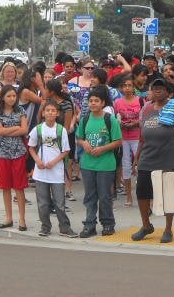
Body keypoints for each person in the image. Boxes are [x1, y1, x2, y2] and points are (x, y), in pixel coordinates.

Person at [131, 78, 174, 243]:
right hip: (147, 157)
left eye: (161, 88)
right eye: (154, 88)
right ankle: (146, 225)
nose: (157, 91)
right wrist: (136, 157)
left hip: (169, 158)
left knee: (168, 195)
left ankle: (167, 229)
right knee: (142, 192)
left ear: (168, 92)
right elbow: (142, 137)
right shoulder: (146, 109)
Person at [76, 86, 122, 237]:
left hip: (105, 164)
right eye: (91, 101)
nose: (93, 103)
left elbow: (118, 141)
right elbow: (79, 138)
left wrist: (103, 149)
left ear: (103, 103)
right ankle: (89, 224)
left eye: (96, 101)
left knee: (104, 196)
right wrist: (84, 144)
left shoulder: (110, 120)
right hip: (87, 164)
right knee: (89, 196)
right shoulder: (85, 119)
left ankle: (108, 223)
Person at [28, 99, 78, 238]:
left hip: (56, 173)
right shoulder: (37, 129)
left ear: (57, 114)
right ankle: (45, 227)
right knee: (43, 203)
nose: (50, 113)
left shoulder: (61, 130)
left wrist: (54, 162)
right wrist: (37, 160)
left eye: (53, 110)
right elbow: (31, 147)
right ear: (43, 113)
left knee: (59, 203)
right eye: (47, 110)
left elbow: (66, 151)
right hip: (40, 173)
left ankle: (64, 227)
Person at [0, 85, 29, 231]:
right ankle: (8, 218)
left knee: (19, 187)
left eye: (14, 96)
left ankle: (22, 219)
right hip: (2, 153)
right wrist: (15, 128)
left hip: (18, 152)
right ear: (3, 98)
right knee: (5, 187)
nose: (12, 98)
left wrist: (7, 130)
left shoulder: (21, 110)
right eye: (9, 96)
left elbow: (25, 130)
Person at [113, 75, 143, 207]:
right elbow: (114, 120)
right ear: (121, 88)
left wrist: (135, 122)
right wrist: (120, 125)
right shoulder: (118, 103)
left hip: (138, 137)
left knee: (141, 166)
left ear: (134, 87)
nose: (127, 88)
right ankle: (129, 196)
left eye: (130, 85)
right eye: (124, 86)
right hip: (123, 138)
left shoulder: (140, 100)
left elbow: (145, 118)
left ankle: (144, 195)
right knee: (125, 166)